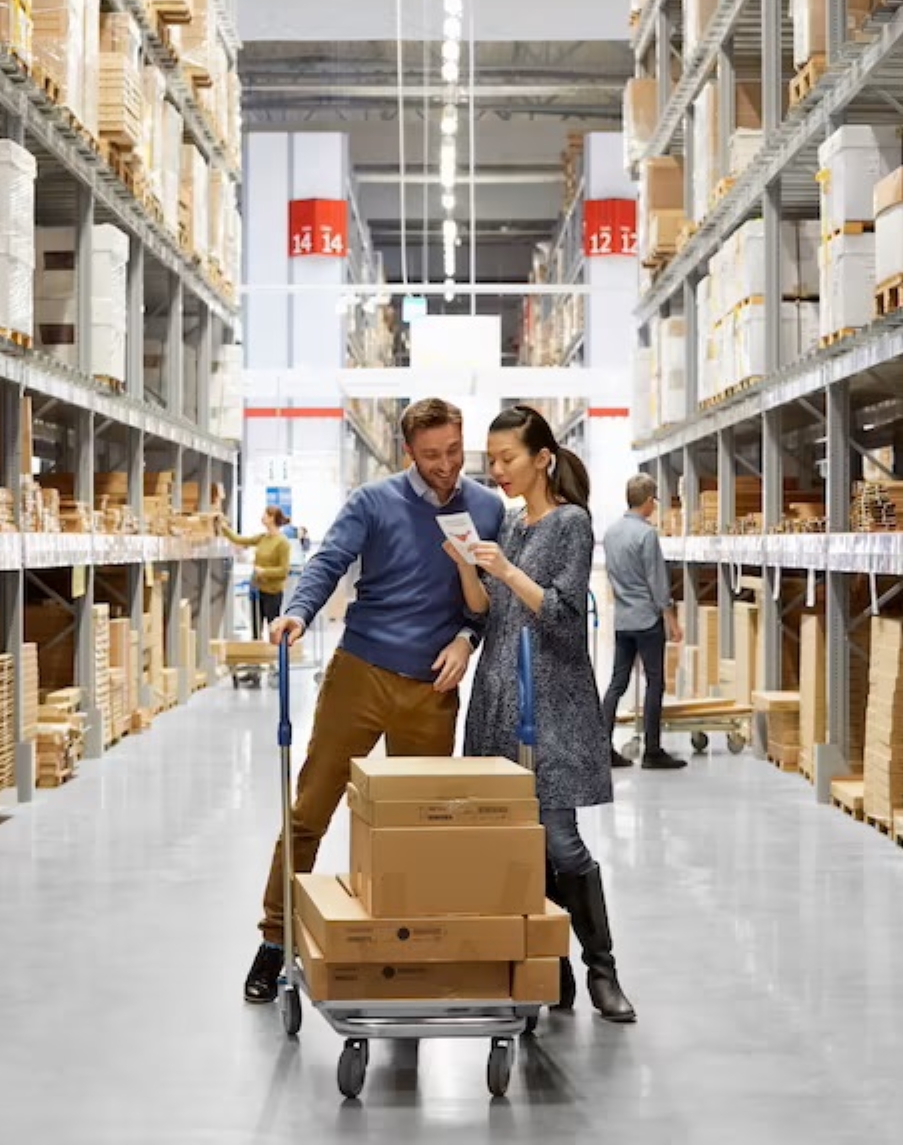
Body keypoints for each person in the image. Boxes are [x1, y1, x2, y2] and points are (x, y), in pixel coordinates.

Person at [243, 398, 505, 1004]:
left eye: (453, 452)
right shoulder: (374, 502)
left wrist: (468, 641)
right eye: (432, 455)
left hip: (432, 688)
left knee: (423, 828)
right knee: (311, 810)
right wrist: (295, 614)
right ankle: (275, 939)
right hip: (358, 674)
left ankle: (410, 943)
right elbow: (329, 561)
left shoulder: (487, 508)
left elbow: (491, 599)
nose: (445, 467)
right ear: (407, 451)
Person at [447, 405, 635, 1024]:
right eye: (492, 460)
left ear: (542, 458)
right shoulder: (509, 522)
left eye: (508, 459)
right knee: (516, 846)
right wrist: (468, 569)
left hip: (551, 701)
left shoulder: (572, 524)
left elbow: (560, 616)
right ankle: (549, 970)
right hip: (499, 695)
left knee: (559, 839)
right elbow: (491, 610)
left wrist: (504, 567)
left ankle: (601, 969)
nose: (496, 470)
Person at [601, 473, 685, 771]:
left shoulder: (611, 533)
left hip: (623, 619)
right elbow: (657, 581)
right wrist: (671, 619)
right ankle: (652, 750)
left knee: (617, 683)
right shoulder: (646, 535)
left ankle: (602, 747)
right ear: (649, 501)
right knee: (655, 683)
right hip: (647, 620)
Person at [219, 506, 293, 644]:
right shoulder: (262, 538)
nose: (262, 517)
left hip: (273, 592)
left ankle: (273, 657)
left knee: (273, 627)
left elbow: (284, 570)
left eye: (265, 515)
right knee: (255, 627)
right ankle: (258, 656)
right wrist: (223, 528)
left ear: (272, 518)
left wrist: (264, 571)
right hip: (257, 590)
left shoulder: (283, 543)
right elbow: (240, 540)